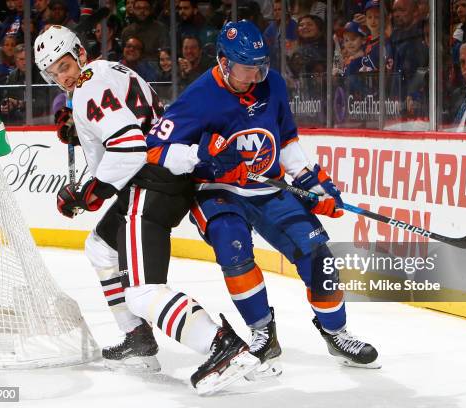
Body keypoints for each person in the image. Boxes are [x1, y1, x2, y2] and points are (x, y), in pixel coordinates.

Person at [145, 20, 381, 378]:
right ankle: (262, 335)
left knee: (320, 259)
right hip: (218, 190)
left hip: (269, 186)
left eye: (261, 66)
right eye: (248, 68)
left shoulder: (272, 84)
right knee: (233, 246)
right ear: (224, 62)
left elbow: (286, 140)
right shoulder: (199, 96)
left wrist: (313, 184)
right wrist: (203, 159)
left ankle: (337, 333)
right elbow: (155, 149)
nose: (256, 76)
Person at [33, 25, 259, 395]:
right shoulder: (109, 70)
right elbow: (130, 124)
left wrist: (89, 192)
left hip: (150, 183)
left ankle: (220, 346)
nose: (63, 75)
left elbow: (129, 147)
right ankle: (137, 339)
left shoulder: (88, 90)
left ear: (80, 54)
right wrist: (82, 130)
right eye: (54, 71)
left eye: (65, 64)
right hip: (166, 172)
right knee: (100, 248)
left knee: (142, 291)